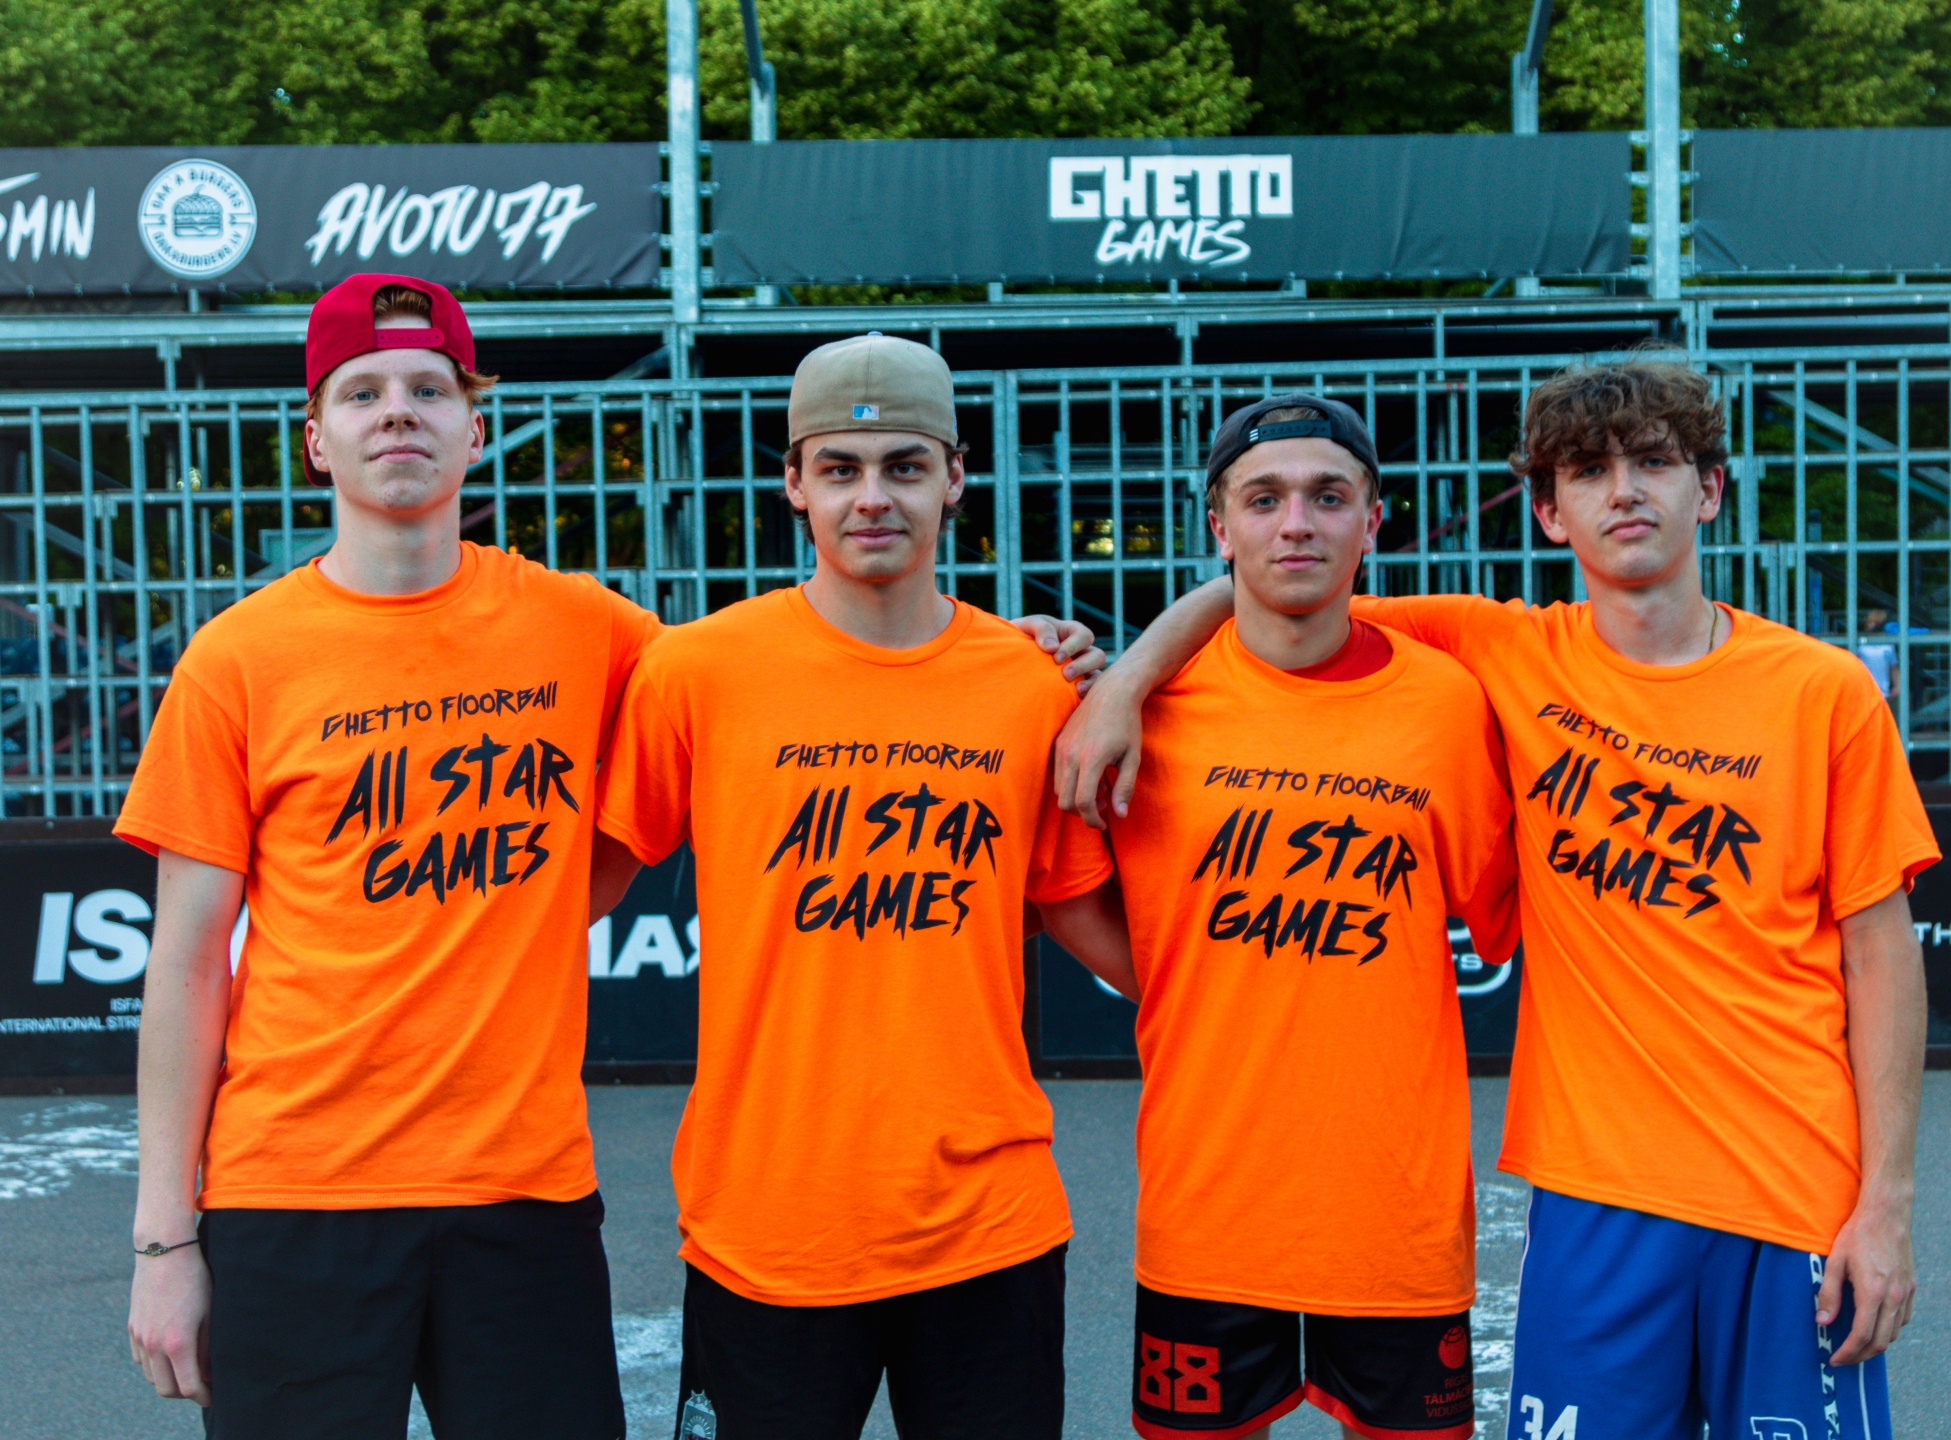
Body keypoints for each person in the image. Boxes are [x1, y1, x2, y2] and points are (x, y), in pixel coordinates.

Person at [118, 287, 1098, 1439]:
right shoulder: (234, 660)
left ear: (476, 427)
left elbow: (812, 667)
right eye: (362, 393)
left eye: (430, 388)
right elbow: (186, 963)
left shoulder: (591, 630)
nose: (399, 413)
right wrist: (163, 1240)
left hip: (522, 1191)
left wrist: (1035, 658)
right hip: (292, 1185)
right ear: (315, 438)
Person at [1059, 358, 1939, 1440]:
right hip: (1592, 1192)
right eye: (1589, 471)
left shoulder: (1823, 692)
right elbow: (1276, 586)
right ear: (1549, 512)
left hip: (1793, 1184)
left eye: (1655, 463)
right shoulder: (1503, 650)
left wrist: (1886, 1204)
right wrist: (1126, 678)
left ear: (1709, 489)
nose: (1625, 491)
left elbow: (1881, 952)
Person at [595, 333, 1131, 1440]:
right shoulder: (696, 672)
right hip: (766, 1224)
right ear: (794, 483)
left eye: (905, 465)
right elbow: (568, 894)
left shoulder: (1032, 685)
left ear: (956, 477)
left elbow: (1078, 915)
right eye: (840, 468)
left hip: (987, 1224)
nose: (872, 497)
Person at [1101, 397, 1518, 1440]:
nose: (1296, 523)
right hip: (1208, 1208)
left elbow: (1507, 912)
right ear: (1219, 526)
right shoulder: (1142, 708)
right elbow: (1062, 887)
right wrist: (1180, 983)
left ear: (1372, 522)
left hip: (1393, 1217)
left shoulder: (1448, 702)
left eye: (1328, 497)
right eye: (1264, 499)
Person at [1858, 608, 1900, 701]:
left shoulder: (1888, 644)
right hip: (1863, 693)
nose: (1871, 625)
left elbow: (1893, 667)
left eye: (1875, 622)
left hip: (1883, 693)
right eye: (1869, 622)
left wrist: (1897, 686)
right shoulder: (1859, 643)